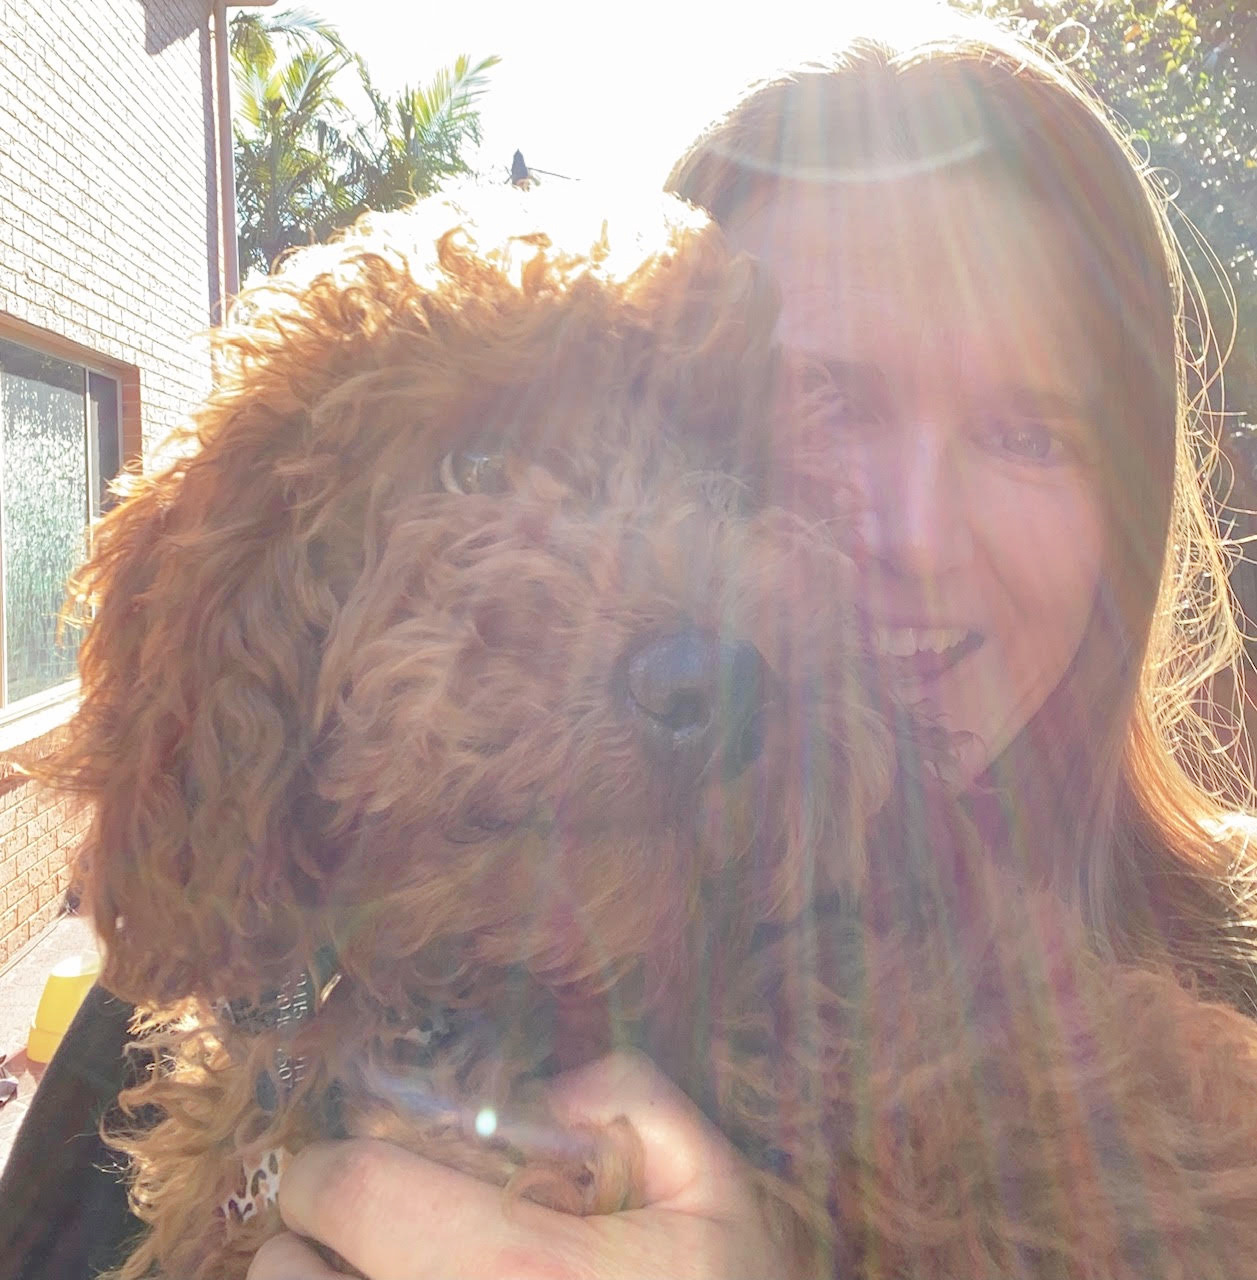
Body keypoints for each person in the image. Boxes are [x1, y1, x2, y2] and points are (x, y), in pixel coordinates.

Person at [3, 9, 1254, 1280]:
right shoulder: (191, 1018)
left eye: (1028, 431)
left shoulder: (1077, 1079)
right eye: (833, 405)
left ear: (1136, 503)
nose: (916, 534)